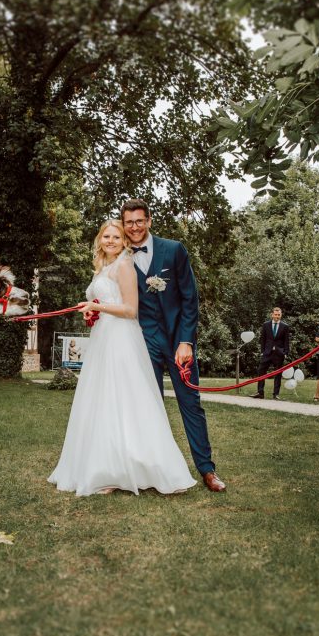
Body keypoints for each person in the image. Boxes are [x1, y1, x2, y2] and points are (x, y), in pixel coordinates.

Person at [48, 220, 196, 496]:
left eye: (117, 236)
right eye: (107, 235)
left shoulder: (124, 265)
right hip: (104, 338)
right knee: (102, 400)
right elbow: (106, 305)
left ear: (124, 240)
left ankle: (141, 467)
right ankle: (106, 468)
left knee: (125, 399)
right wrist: (93, 311)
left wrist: (96, 305)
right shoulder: (103, 267)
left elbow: (130, 309)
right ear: (99, 239)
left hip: (122, 339)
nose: (112, 240)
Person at [120, 199, 226, 492]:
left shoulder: (174, 250)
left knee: (191, 404)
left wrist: (185, 342)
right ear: (123, 224)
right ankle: (149, 472)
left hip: (177, 341)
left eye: (139, 221)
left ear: (149, 221)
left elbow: (190, 299)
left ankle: (207, 470)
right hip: (142, 343)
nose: (134, 227)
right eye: (129, 222)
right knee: (146, 408)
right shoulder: (119, 255)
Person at [251, 307, 290, 400]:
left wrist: (285, 352)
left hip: (279, 353)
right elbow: (263, 339)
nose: (277, 316)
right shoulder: (266, 325)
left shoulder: (285, 326)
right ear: (272, 315)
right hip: (267, 352)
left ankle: (275, 394)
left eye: (279, 315)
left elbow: (286, 341)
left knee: (278, 374)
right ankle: (260, 393)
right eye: (275, 314)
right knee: (261, 371)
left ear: (281, 315)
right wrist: (262, 352)